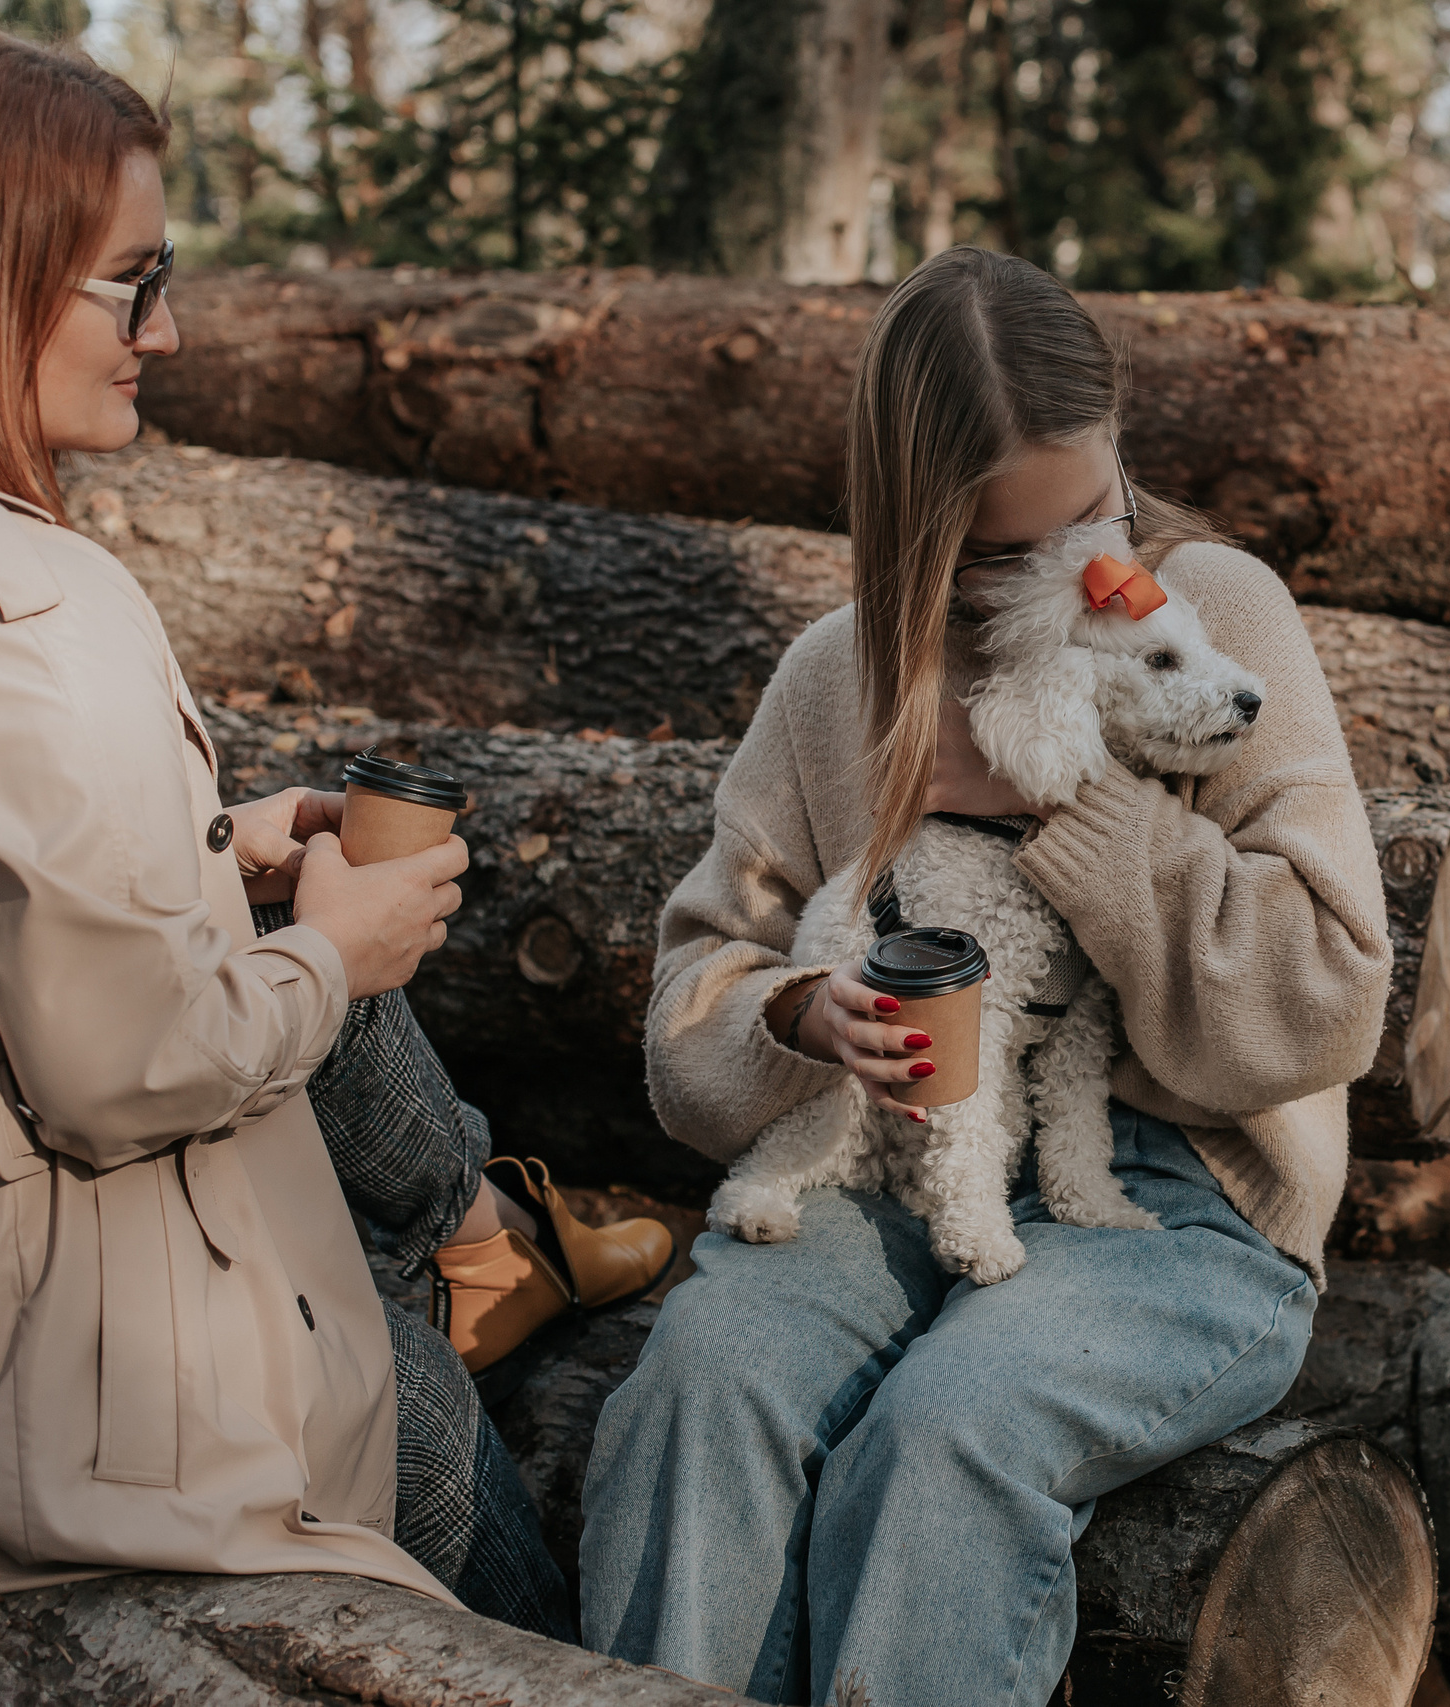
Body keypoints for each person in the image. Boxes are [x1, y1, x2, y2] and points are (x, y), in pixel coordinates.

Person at [0, 28, 670, 1629]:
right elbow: (124, 1076)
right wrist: (340, 947)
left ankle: (479, 1237)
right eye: (134, 278)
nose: (164, 329)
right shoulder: (29, 609)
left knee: (393, 1298)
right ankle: (482, 1255)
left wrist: (204, 846)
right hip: (78, 1411)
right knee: (419, 1432)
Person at [580, 247, 1395, 1702]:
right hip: (885, 1164)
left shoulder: (1212, 613)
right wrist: (794, 1017)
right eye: (996, 558)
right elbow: (706, 977)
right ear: (911, 532)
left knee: (951, 1429)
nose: (1066, 573)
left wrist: (1065, 809)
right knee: (703, 1384)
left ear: (1117, 447)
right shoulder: (841, 673)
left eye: (1084, 518)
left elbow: (1332, 990)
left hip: (1178, 1197)